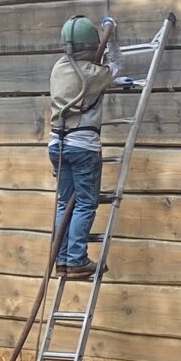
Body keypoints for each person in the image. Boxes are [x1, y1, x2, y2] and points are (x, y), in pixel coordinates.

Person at [48, 14, 124, 280]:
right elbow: (115, 66)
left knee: (62, 204)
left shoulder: (58, 68)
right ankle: (77, 260)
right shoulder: (93, 75)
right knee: (85, 203)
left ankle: (62, 261)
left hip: (56, 144)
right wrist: (111, 37)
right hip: (82, 146)